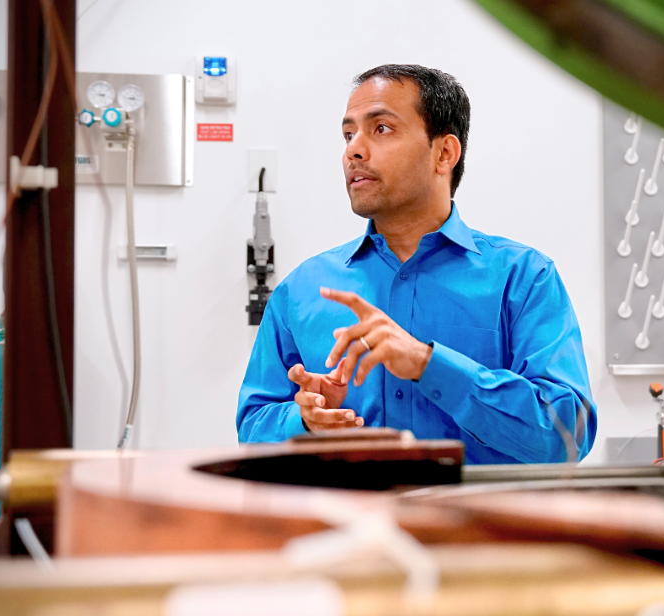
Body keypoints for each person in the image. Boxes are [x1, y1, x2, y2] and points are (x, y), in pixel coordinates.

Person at [236, 64, 596, 464]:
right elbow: (252, 430)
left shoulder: (524, 279)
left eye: (381, 128)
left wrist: (429, 364)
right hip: (348, 508)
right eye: (348, 134)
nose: (353, 150)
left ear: (444, 153)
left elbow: (567, 437)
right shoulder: (301, 290)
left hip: (481, 508)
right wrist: (305, 422)